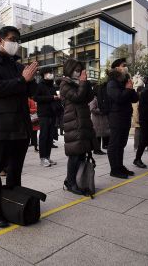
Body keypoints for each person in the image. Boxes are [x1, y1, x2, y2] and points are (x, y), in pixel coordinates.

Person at [0, 26, 38, 228]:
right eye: (12, 39)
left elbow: (31, 90)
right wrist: (22, 80)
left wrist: (31, 80)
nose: (15, 43)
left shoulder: (17, 65)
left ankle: (12, 203)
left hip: (20, 126)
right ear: (0, 40)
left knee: (15, 171)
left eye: (18, 40)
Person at [60, 59, 96, 195]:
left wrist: (85, 83)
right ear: (69, 70)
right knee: (74, 155)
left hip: (81, 121)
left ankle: (75, 180)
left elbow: (89, 97)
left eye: (80, 70)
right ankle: (71, 183)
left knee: (81, 153)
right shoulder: (65, 84)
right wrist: (82, 83)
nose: (79, 72)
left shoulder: (77, 83)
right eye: (76, 70)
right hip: (73, 122)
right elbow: (78, 97)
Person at [106, 58, 139, 179]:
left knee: (122, 143)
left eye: (126, 65)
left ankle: (120, 166)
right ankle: (114, 169)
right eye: (123, 65)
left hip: (125, 116)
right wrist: (128, 89)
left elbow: (135, 99)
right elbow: (118, 98)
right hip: (116, 116)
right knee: (115, 143)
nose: (125, 67)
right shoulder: (112, 83)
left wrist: (130, 88)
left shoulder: (124, 81)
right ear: (116, 68)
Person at [34, 67, 60, 163]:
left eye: (51, 72)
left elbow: (54, 98)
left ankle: (48, 157)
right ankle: (42, 158)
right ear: (43, 74)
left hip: (52, 113)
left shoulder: (52, 86)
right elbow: (36, 98)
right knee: (44, 136)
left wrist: (57, 97)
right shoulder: (39, 85)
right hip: (43, 114)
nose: (51, 74)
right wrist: (51, 97)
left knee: (50, 136)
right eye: (49, 72)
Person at [89, 83, 109, 156]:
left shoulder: (100, 98)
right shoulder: (94, 99)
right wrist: (101, 110)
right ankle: (96, 149)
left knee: (102, 134)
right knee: (97, 135)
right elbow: (92, 109)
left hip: (101, 120)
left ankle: (102, 147)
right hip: (97, 120)